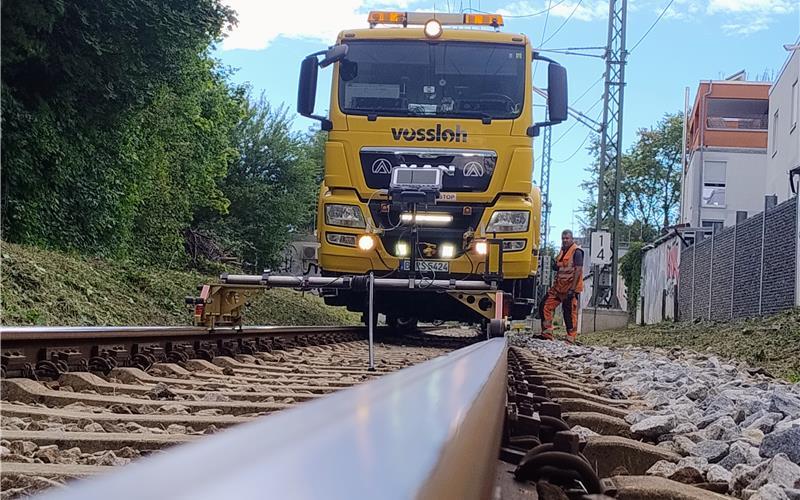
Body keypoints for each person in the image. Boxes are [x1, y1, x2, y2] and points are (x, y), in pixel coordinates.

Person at [540, 229, 584, 343]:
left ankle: (571, 337)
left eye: (567, 238)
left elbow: (578, 270)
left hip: (570, 288)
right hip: (559, 287)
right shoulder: (562, 251)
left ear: (572, 239)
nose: (565, 240)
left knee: (569, 313)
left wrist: (572, 289)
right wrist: (556, 266)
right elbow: (562, 265)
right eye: (563, 238)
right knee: (544, 305)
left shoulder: (577, 252)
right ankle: (547, 332)